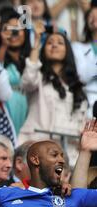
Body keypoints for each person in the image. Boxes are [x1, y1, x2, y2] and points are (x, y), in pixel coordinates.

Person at [18, 23, 88, 165]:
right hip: (39, 149)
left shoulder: (77, 86)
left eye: (60, 43)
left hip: (69, 153)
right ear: (44, 50)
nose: (54, 45)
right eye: (49, 43)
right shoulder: (39, 77)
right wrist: (37, 43)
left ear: (67, 50)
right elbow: (27, 81)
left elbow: (82, 122)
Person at [0, 9, 32, 135]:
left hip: (30, 108)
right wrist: (4, 45)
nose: (14, 33)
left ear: (25, 32)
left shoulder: (31, 57)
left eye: (17, 28)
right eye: (9, 29)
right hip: (6, 108)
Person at [72, 6, 97, 116]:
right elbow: (82, 75)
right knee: (90, 133)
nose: (94, 18)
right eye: (91, 16)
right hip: (89, 105)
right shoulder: (77, 47)